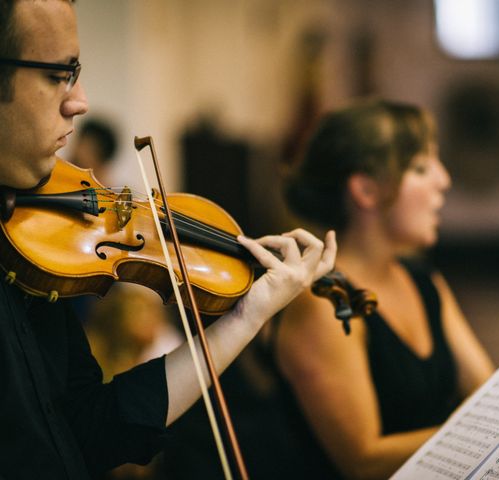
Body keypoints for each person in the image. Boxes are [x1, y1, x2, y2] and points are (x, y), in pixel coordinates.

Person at [0, 1, 336, 479]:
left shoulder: (29, 245)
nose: (80, 101)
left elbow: (90, 430)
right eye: (59, 74)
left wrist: (247, 316)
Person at [272, 98, 494, 479]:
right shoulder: (322, 302)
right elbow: (364, 460)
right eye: (421, 167)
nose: (444, 180)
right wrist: (492, 434)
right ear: (366, 190)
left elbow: (490, 396)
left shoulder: (426, 283)